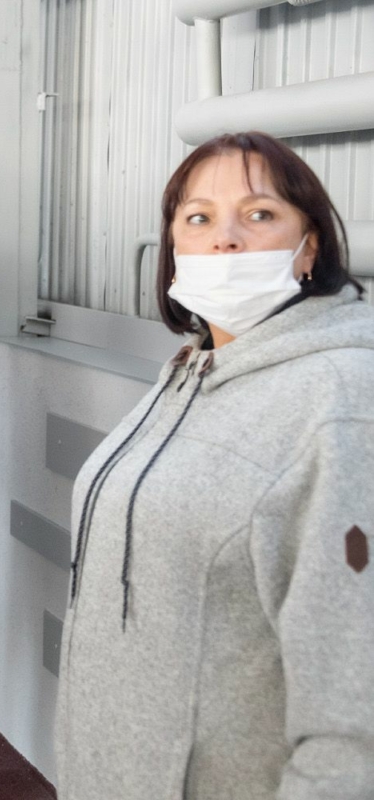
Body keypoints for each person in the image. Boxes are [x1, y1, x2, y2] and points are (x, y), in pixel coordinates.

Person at [57, 132, 374, 799]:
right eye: (198, 218)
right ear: (174, 247)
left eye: (259, 214)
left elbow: (356, 709)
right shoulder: (193, 369)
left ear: (309, 246)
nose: (225, 239)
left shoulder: (342, 398)